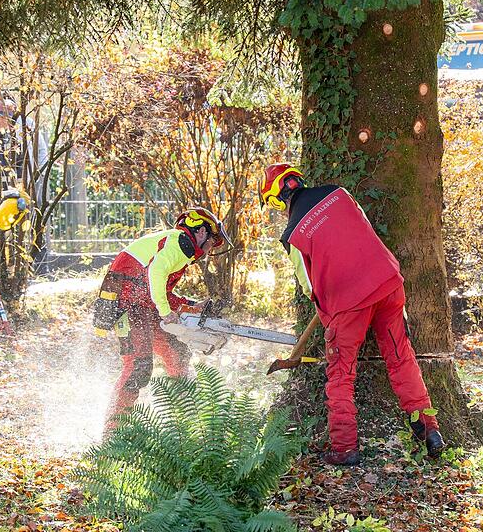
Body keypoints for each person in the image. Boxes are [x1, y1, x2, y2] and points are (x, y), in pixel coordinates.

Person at [258, 163, 445, 466]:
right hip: (386, 281)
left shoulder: (292, 235)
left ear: (277, 198)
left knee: (341, 373)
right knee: (400, 357)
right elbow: (363, 230)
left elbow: (310, 287)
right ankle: (428, 429)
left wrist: (330, 316)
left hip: (347, 303)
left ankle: (344, 448)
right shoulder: (338, 193)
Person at [94, 207, 231, 433]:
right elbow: (155, 274)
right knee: (139, 365)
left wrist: (189, 306)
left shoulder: (175, 247)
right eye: (210, 241)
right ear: (199, 232)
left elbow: (156, 290)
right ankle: (112, 433)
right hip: (126, 307)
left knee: (177, 352)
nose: (208, 249)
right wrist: (167, 312)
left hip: (142, 305)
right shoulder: (179, 242)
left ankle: (186, 422)